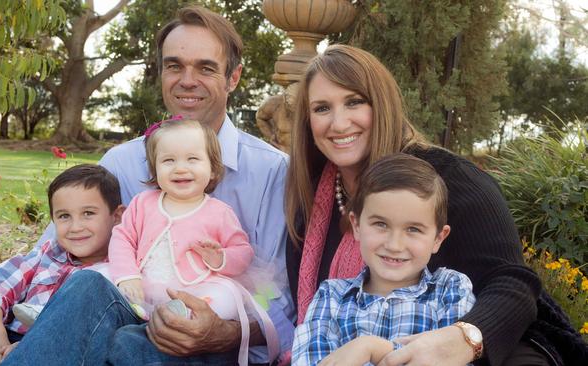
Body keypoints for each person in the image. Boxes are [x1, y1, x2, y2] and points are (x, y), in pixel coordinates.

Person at [0, 6, 293, 366]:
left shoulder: (272, 171)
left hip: (211, 337)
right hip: (117, 316)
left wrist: (225, 331)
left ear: (233, 78)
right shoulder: (122, 162)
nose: (187, 80)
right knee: (91, 290)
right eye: (174, 66)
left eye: (206, 67)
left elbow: (279, 297)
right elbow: (56, 252)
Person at [285, 44, 587, 366]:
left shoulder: (448, 181)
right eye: (321, 108)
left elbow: (513, 285)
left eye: (354, 102)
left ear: (383, 105)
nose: (339, 123)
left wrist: (465, 337)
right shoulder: (312, 201)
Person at [109, 117, 278, 365]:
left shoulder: (219, 212)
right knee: (98, 275)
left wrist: (221, 257)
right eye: (168, 160)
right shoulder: (143, 203)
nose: (180, 168)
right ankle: (52, 302)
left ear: (212, 168)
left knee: (226, 296)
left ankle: (183, 318)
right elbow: (122, 237)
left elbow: (242, 251)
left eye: (193, 159)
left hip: (196, 288)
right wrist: (128, 275)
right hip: (143, 285)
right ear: (155, 170)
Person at [292, 153, 476, 366]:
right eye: (380, 224)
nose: (394, 245)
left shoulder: (451, 289)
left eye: (413, 229)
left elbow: (452, 358)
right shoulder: (331, 297)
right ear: (357, 225)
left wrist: (372, 348)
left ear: (438, 238)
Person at [0, 164, 124, 366]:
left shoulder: (123, 270)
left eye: (88, 213)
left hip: (68, 350)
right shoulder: (45, 256)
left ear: (116, 216)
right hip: (9, 338)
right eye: (64, 216)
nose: (75, 227)